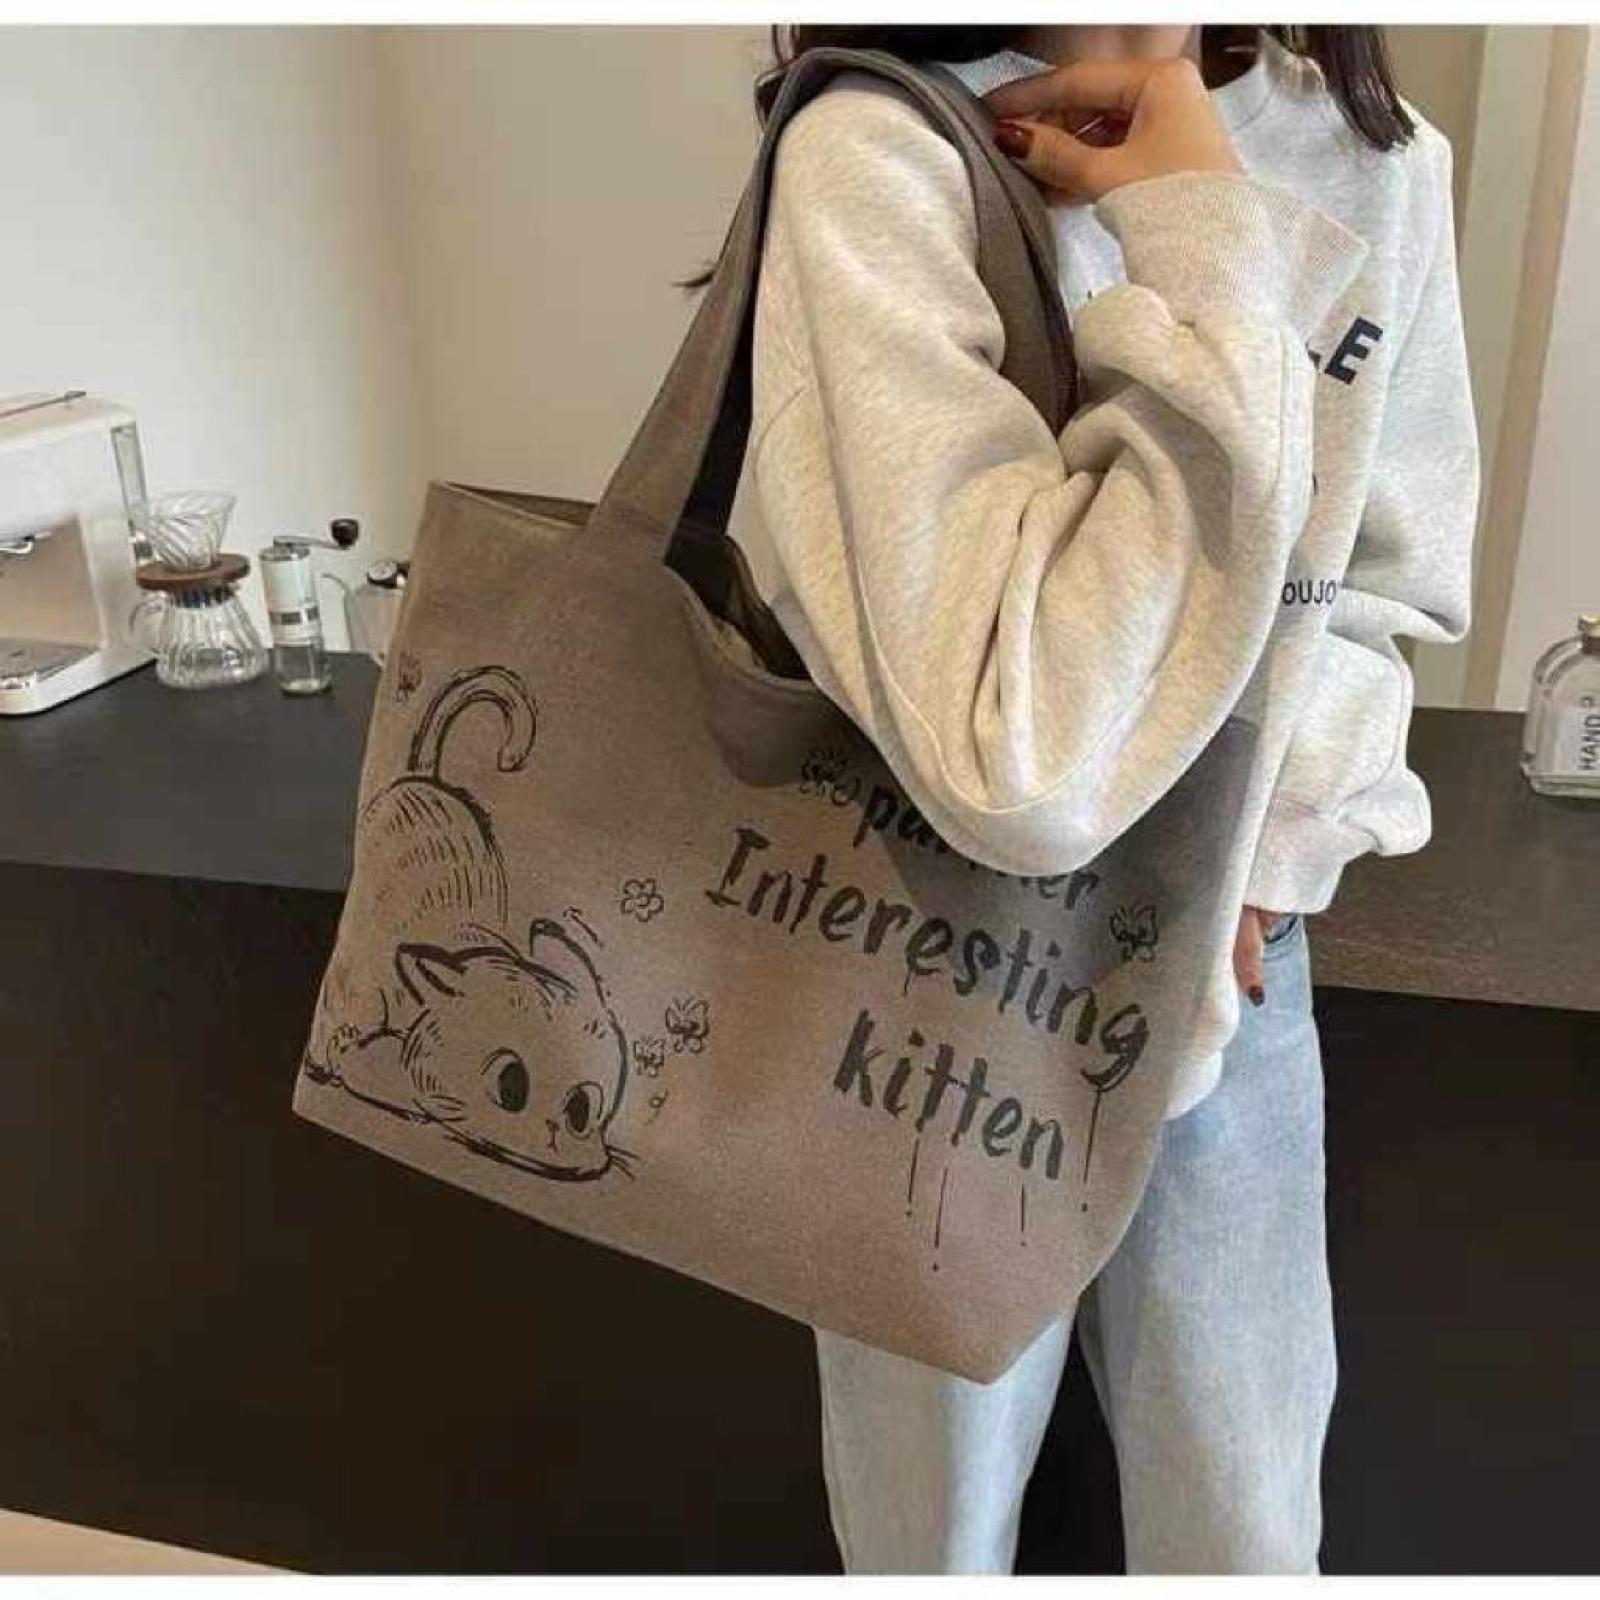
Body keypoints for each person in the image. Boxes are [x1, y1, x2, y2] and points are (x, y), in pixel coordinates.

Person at [687, 21, 1478, 1575]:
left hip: (1233, 973)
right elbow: (1018, 751)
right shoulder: (884, 152)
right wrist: (1204, 232)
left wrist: (1266, 860)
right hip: (923, 972)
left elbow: (1378, 584)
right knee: (932, 1540)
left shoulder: (1381, 162)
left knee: (1246, 1536)